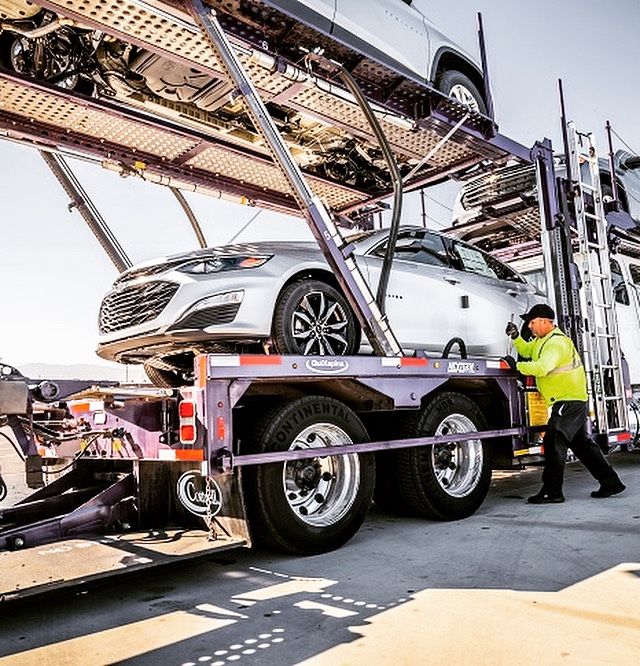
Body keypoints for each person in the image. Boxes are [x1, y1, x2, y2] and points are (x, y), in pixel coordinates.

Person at [505, 303, 625, 504]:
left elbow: (542, 367)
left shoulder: (556, 343)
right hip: (572, 401)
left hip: (568, 401)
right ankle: (611, 483)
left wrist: (516, 366)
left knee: (553, 442)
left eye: (532, 322)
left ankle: (552, 492)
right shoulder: (542, 341)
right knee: (583, 446)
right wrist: (516, 337)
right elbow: (527, 350)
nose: (530, 326)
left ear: (545, 321)